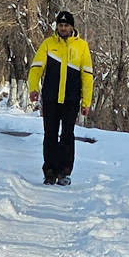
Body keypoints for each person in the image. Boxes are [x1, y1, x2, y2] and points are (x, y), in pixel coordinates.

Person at [28, 11, 93, 185]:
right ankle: (49, 171)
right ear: (57, 27)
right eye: (60, 25)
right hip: (50, 98)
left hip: (71, 99)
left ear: (72, 27)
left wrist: (86, 102)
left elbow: (87, 76)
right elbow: (36, 68)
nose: (63, 28)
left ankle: (64, 172)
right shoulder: (49, 44)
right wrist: (33, 88)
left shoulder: (81, 47)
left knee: (67, 135)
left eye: (66, 25)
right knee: (50, 134)